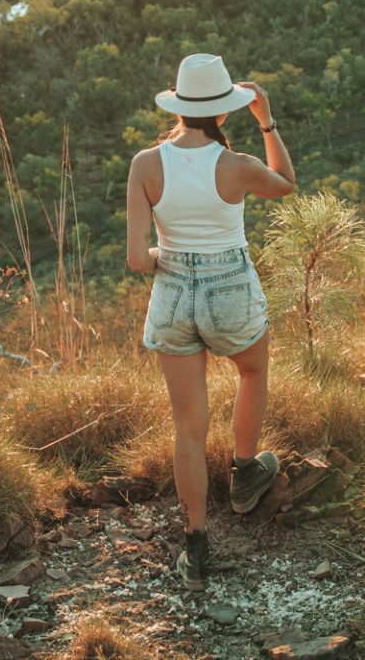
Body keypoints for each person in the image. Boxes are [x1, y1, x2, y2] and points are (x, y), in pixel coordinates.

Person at [127, 52, 297, 591]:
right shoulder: (239, 164)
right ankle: (245, 472)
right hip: (231, 291)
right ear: (224, 112)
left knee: (188, 429)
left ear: (179, 105)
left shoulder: (145, 165)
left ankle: (196, 548)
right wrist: (266, 120)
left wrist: (166, 260)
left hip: (172, 294)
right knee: (251, 372)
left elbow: (137, 260)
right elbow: (287, 183)